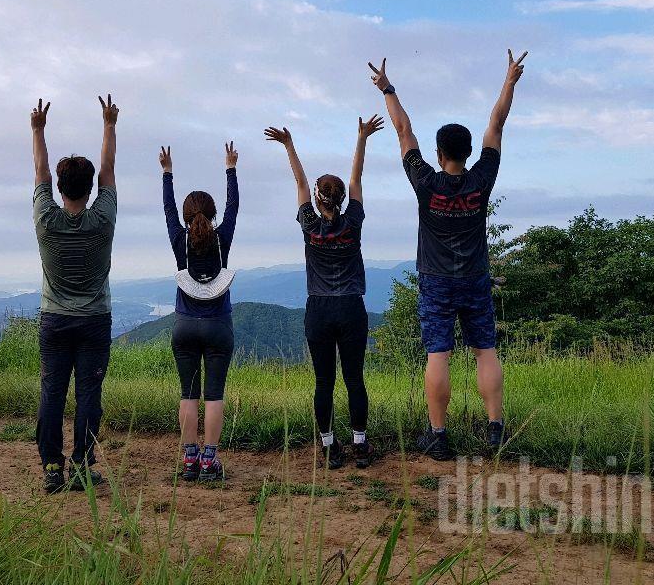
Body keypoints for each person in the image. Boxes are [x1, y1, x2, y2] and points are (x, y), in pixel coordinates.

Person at [367, 50, 527, 459]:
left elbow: (403, 130)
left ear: (439, 154)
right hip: (475, 277)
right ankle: (495, 431)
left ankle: (438, 436)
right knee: (484, 350)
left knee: (439, 353)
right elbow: (497, 122)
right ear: (469, 152)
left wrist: (387, 88)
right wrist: (508, 81)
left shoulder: (426, 182)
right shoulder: (481, 180)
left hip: (436, 281)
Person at [265, 116, 384, 469]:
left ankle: (330, 449)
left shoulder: (309, 224)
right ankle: (360, 446)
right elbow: (357, 178)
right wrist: (361, 137)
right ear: (342, 200)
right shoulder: (353, 222)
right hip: (351, 309)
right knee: (354, 378)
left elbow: (300, 181)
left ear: (317, 202)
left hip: (317, 310)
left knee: (323, 381)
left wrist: (289, 145)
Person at [31, 94, 119, 493]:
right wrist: (109, 124)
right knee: (88, 395)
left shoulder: (46, 221)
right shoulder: (102, 221)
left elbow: (39, 172)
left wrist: (37, 130)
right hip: (95, 320)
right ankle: (83, 466)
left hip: (54, 320)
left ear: (60, 188)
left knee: (52, 392)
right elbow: (109, 171)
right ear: (89, 189)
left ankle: (51, 467)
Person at [160, 142, 239, 482]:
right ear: (213, 214)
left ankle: (189, 460)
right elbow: (235, 206)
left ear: (185, 217)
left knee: (188, 394)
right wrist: (230, 168)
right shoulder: (223, 238)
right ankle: (210, 461)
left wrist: (167, 172)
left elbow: (167, 209)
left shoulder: (180, 240)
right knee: (214, 394)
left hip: (184, 326)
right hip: (218, 325)